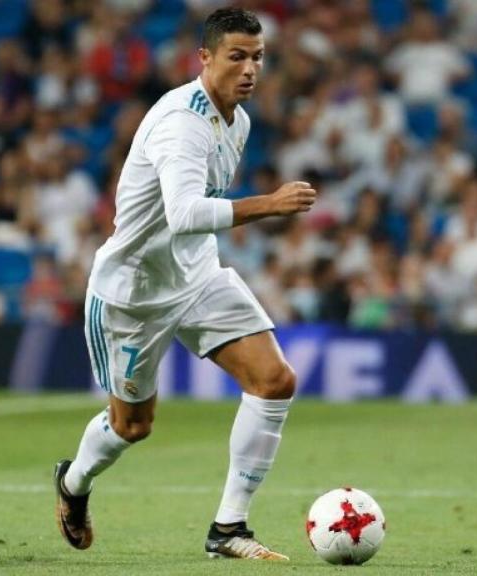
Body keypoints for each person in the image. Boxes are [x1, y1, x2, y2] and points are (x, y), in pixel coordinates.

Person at [54, 8, 316, 561]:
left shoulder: (237, 121)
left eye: (258, 57)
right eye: (237, 56)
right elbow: (184, 213)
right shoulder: (181, 123)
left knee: (274, 380)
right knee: (132, 427)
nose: (250, 69)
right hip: (134, 294)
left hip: (196, 275)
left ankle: (229, 528)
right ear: (205, 58)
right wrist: (268, 204)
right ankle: (73, 483)